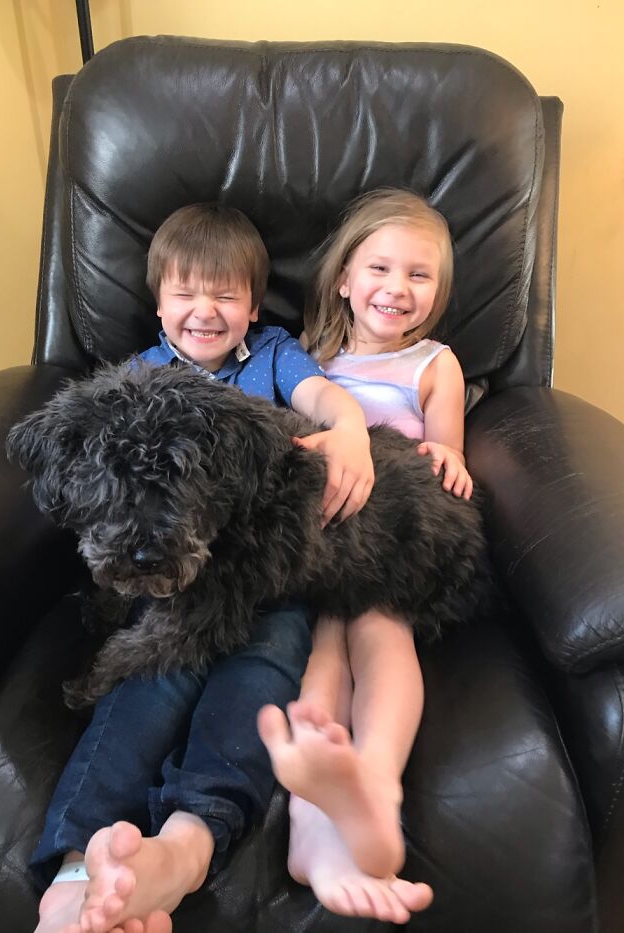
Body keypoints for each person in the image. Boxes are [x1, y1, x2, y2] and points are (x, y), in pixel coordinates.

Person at [32, 203, 429, 933]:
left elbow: (323, 397)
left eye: (226, 295)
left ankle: (188, 842)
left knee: (260, 673)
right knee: (149, 685)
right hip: (190, 572)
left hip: (273, 568)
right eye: (185, 292)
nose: (205, 310)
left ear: (254, 307)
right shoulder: (133, 381)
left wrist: (349, 429)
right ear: (158, 304)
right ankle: (73, 874)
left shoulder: (273, 357)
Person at [258, 188, 472, 917]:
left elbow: (446, 450)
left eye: (419, 275)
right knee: (320, 650)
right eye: (380, 268)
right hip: (322, 539)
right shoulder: (309, 358)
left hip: (390, 540)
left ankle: (377, 777)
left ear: (438, 292)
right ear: (345, 279)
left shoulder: (433, 364)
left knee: (381, 632)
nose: (397, 287)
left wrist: (447, 457)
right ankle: (314, 817)